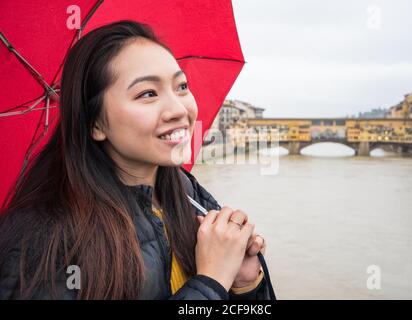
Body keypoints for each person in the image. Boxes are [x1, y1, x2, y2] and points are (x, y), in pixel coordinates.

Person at [0, 20, 271, 300]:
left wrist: (244, 284)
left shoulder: (188, 192)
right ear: (95, 124)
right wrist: (210, 282)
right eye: (148, 94)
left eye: (181, 86)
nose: (179, 109)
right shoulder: (44, 245)